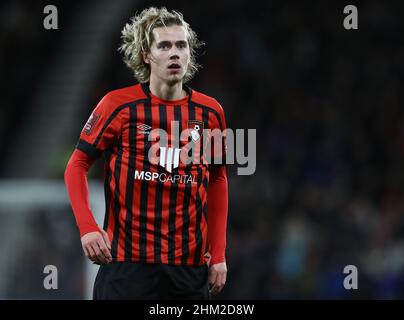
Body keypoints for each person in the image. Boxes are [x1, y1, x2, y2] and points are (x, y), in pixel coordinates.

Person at [64, 7, 228, 300]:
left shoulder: (210, 112)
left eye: (181, 45)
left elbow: (217, 181)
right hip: (128, 267)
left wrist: (218, 254)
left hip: (188, 271)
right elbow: (76, 165)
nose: (175, 53)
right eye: (164, 45)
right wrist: (88, 227)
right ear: (146, 54)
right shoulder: (117, 105)